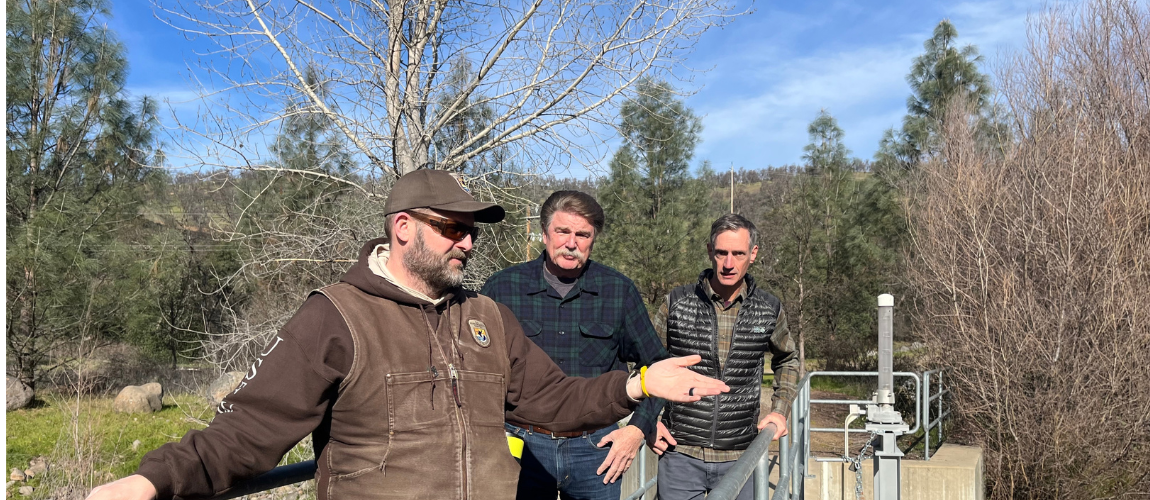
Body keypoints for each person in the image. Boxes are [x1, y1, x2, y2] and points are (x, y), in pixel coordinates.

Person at [85, 170, 728, 500]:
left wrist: (640, 384)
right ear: (402, 228)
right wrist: (153, 480)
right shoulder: (336, 315)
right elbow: (250, 429)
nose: (467, 241)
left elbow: (554, 400)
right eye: (452, 227)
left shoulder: (484, 315)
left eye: (471, 230)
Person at [482, 191, 674, 500]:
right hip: (521, 443)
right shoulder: (502, 288)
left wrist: (638, 428)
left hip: (596, 448)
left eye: (582, 235)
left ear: (593, 240)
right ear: (545, 233)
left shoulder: (618, 291)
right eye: (562, 231)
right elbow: (478, 368)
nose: (571, 243)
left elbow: (656, 367)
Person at [653, 213, 799, 500]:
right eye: (721, 253)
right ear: (710, 251)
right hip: (680, 453)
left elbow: (787, 359)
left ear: (753, 254)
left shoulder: (769, 308)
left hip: (742, 457)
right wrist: (648, 420)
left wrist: (780, 411)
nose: (729, 263)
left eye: (738, 254)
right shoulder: (676, 303)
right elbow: (646, 364)